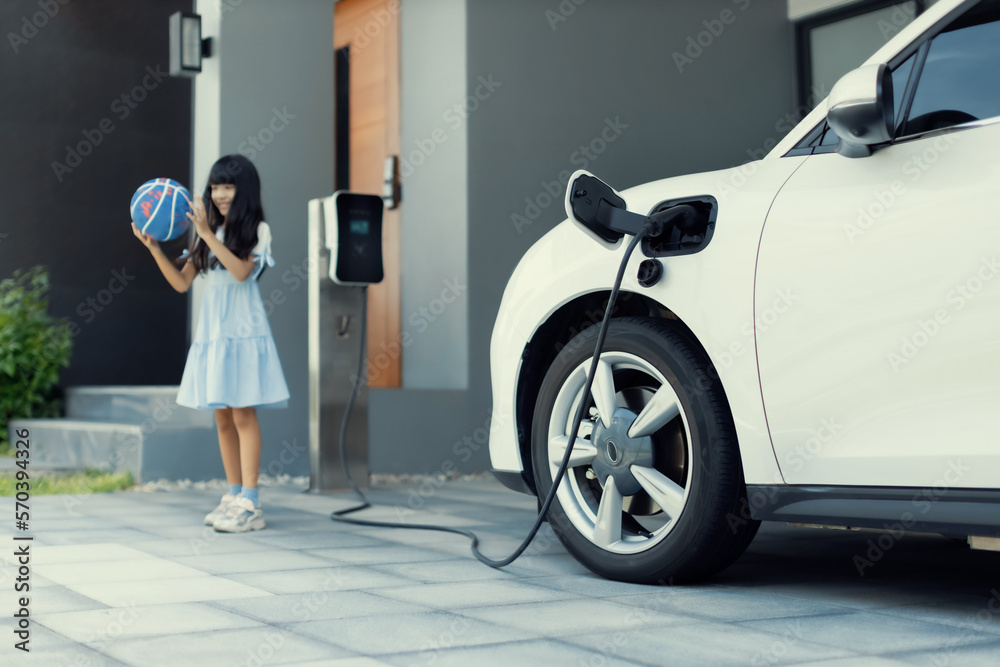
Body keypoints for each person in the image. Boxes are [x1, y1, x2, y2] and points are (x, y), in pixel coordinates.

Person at [131, 154, 289, 533]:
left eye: (228, 186)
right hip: (214, 336)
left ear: (244, 189)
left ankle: (251, 501)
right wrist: (154, 249)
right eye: (215, 186)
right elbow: (181, 282)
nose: (219, 194)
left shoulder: (257, 231)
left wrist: (204, 234)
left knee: (242, 414)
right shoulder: (206, 235)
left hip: (243, 333)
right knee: (221, 416)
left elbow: (239, 273)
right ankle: (234, 494)